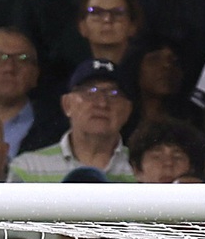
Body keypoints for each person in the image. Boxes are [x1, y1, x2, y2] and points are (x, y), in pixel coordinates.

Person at [8, 58, 136, 182]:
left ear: (128, 109)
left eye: (113, 94)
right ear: (67, 104)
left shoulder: (142, 170)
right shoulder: (29, 169)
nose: (102, 103)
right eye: (90, 92)